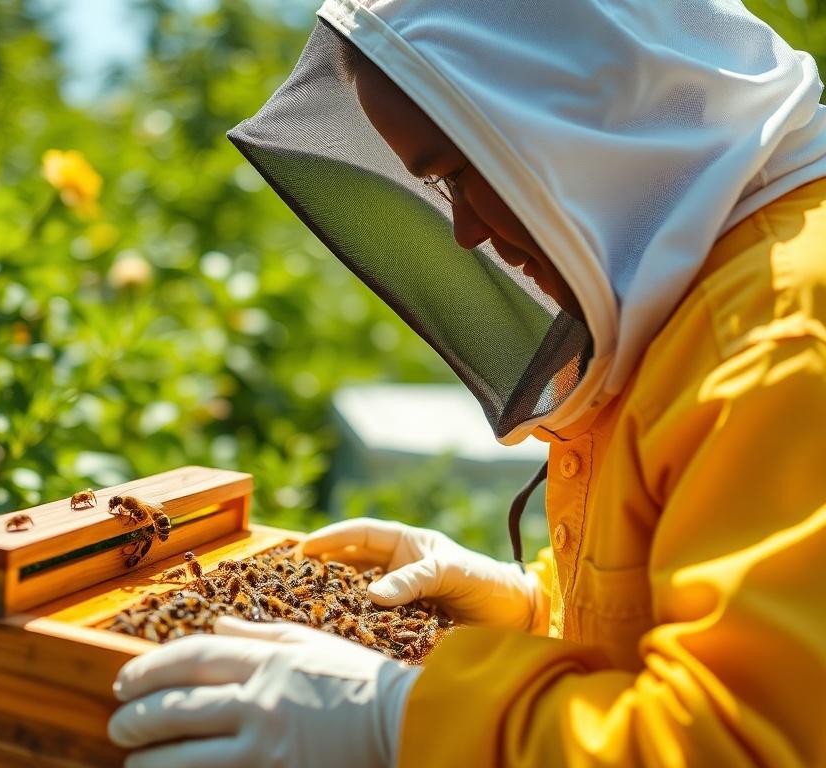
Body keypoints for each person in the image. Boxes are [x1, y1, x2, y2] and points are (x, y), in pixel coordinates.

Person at [107, 0, 826, 765]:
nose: (466, 231)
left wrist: (404, 722)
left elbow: (743, 741)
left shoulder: (779, 335)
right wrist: (535, 607)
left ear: (574, 111)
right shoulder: (709, 291)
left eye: (457, 171)